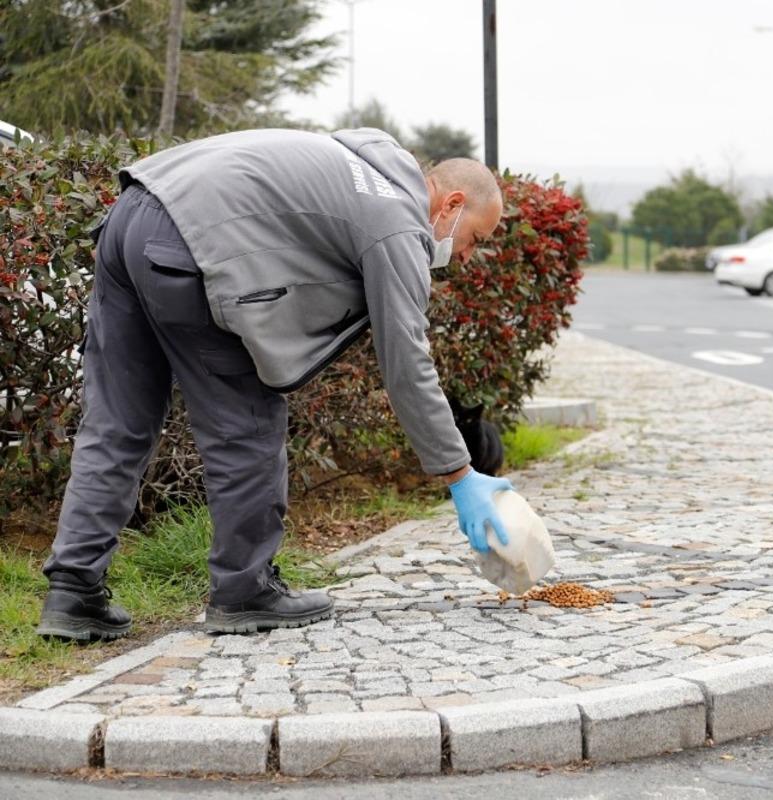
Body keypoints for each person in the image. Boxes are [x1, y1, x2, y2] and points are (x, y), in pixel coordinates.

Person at [36, 127, 514, 641]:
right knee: (246, 423)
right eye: (475, 240)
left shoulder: (367, 162)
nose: (465, 257)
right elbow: (406, 364)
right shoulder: (397, 224)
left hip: (131, 213)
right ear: (452, 203)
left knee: (117, 423)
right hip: (189, 243)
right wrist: (460, 476)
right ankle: (245, 589)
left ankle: (73, 593)